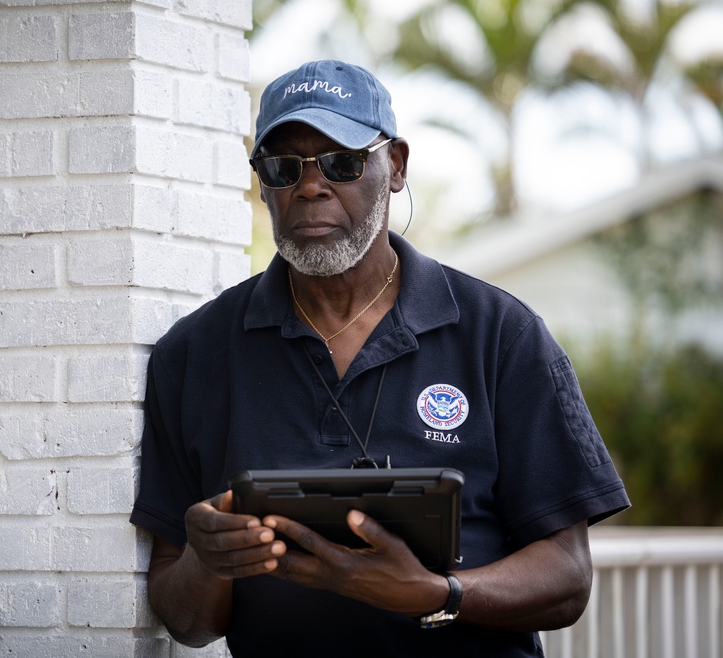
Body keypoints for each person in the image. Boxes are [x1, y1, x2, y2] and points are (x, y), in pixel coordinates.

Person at [129, 59, 630, 656]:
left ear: (395, 166)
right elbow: (188, 622)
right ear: (261, 182)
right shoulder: (194, 355)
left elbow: (568, 581)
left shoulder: (501, 336)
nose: (310, 186)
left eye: (341, 162)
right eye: (284, 167)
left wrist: (434, 593)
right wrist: (208, 560)